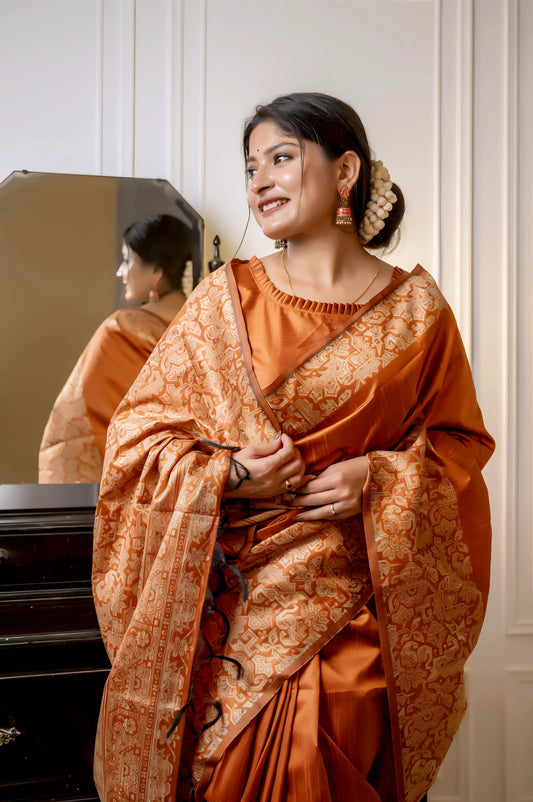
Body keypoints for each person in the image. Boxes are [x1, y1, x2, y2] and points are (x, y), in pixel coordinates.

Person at [91, 93, 494, 802]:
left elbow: (458, 448)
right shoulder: (224, 301)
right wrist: (231, 473)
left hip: (355, 612)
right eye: (250, 166)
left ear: (345, 172)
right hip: (233, 612)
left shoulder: (417, 315)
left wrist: (379, 474)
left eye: (281, 157)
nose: (258, 181)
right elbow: (135, 442)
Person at [39, 213, 191, 483]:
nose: (120, 271)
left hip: (143, 482)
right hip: (194, 477)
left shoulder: (122, 329)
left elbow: (75, 426)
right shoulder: (204, 322)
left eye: (127, 260)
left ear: (156, 270)